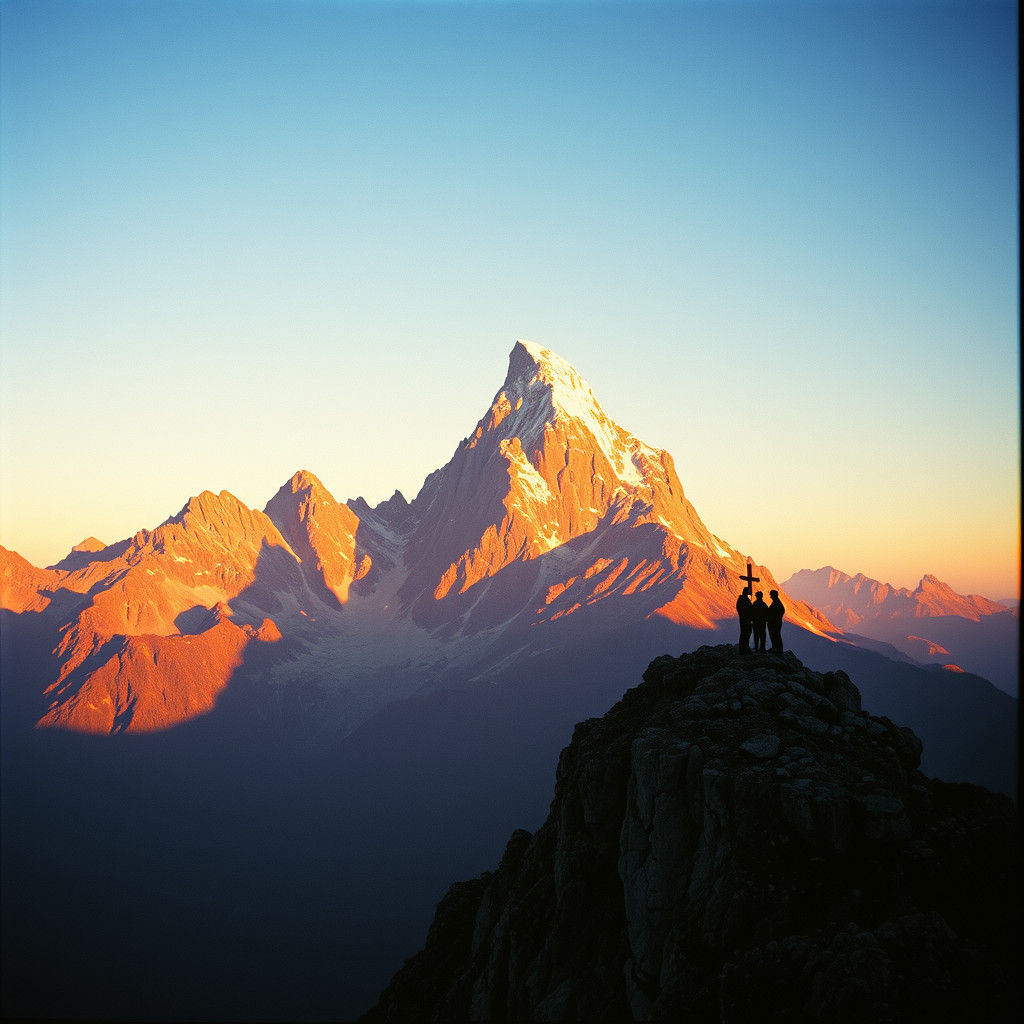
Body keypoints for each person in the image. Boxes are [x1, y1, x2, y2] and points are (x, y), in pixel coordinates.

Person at [767, 589, 786, 653]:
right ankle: (776, 648)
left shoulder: (776, 603)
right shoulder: (777, 602)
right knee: (775, 635)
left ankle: (778, 650)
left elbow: (780, 611)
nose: (770, 596)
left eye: (771, 595)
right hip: (776, 622)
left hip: (775, 623)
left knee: (776, 635)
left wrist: (774, 618)